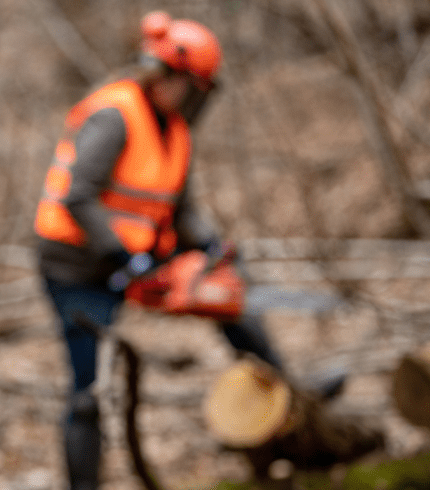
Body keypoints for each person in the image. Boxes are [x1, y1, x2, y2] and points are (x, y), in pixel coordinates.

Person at [33, 11, 288, 490]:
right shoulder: (114, 115)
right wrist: (126, 260)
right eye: (197, 88)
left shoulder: (176, 133)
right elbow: (79, 196)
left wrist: (211, 246)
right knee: (91, 389)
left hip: (137, 257)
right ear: (173, 79)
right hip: (76, 265)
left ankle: (286, 392)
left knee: (229, 298)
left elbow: (180, 210)